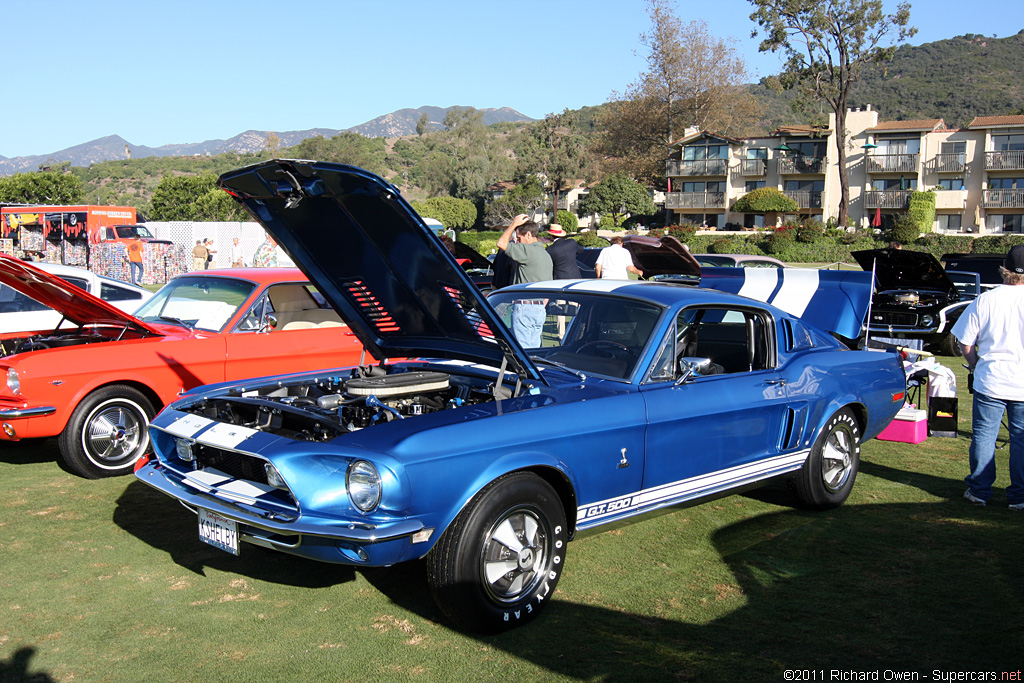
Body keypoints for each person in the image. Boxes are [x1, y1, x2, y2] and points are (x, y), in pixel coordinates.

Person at [951, 244, 1024, 510]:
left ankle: (980, 491)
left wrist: (973, 365)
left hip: (991, 378)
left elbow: (964, 341)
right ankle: (1019, 496)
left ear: (1005, 270)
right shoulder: (988, 299)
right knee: (1021, 439)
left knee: (984, 435)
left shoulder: (986, 299)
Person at [496, 214, 553, 347]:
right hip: (539, 308)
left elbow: (501, 243)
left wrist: (513, 224)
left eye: (519, 238)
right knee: (533, 351)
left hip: (525, 306)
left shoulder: (528, 251)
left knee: (523, 352)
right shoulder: (545, 254)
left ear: (528, 235)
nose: (518, 241)